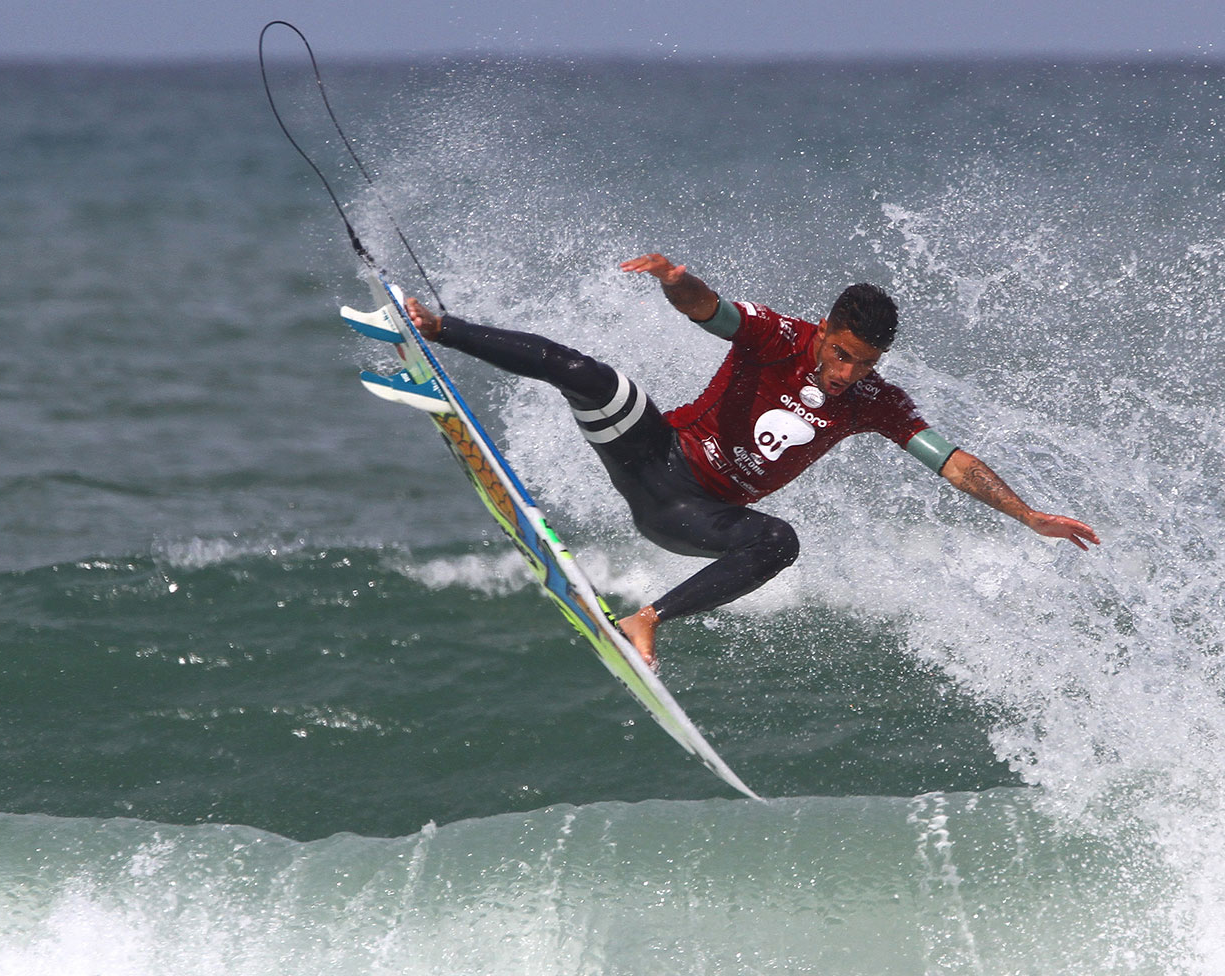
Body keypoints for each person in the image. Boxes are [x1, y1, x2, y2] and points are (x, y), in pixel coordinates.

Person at [404, 253, 1098, 668]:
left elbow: (948, 460)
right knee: (591, 375)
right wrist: (676, 278)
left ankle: (646, 620)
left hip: (693, 515)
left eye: (865, 365)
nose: (848, 374)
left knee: (780, 541)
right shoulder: (779, 337)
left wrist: (1028, 515)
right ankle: (439, 328)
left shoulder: (872, 402)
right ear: (824, 332)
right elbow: (708, 309)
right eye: (843, 354)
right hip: (653, 452)